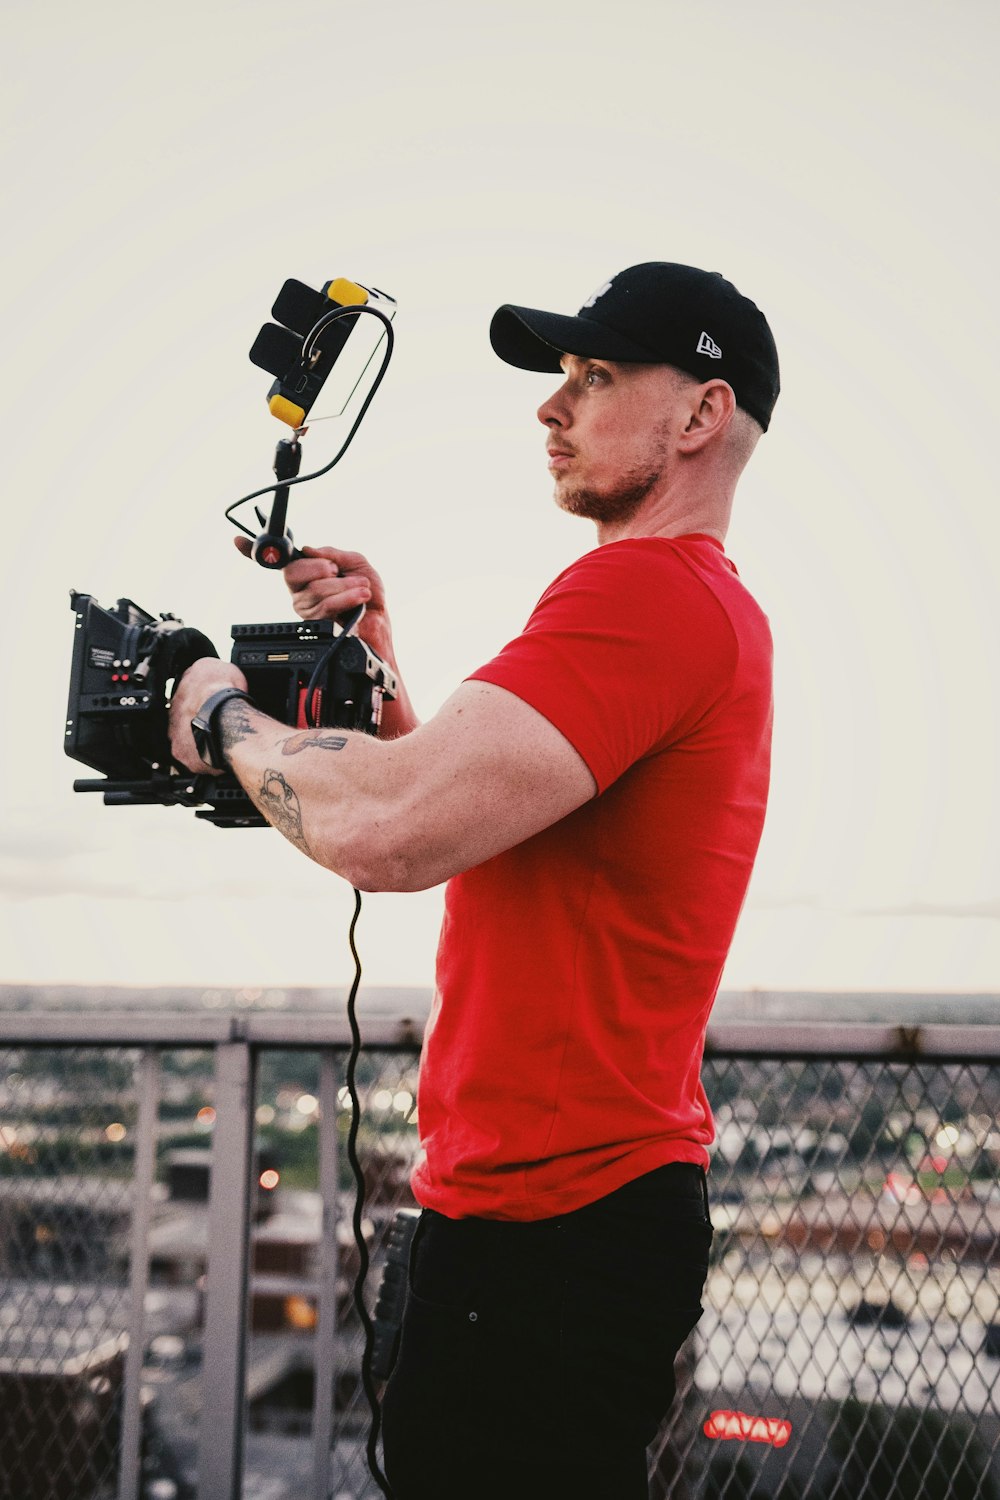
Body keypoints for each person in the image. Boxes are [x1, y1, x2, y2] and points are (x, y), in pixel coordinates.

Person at [169, 261, 780, 1499]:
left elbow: (391, 836)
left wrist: (216, 712)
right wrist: (385, 679)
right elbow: (466, 811)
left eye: (595, 377)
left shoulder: (641, 594)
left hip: (549, 1233)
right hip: (568, 1217)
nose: (551, 408)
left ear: (701, 415)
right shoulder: (690, 606)